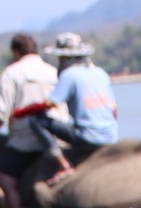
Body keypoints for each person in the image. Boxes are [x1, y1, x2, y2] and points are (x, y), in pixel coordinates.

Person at [0, 34, 57, 208]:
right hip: (56, 135)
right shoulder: (52, 71)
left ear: (16, 52)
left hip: (26, 140)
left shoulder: (12, 72)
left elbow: (2, 110)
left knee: (5, 178)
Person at [34, 33, 119, 185]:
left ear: (65, 59)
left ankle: (63, 165)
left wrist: (23, 112)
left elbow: (50, 104)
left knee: (37, 121)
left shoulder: (69, 74)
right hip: (111, 137)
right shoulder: (101, 73)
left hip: (87, 138)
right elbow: (114, 111)